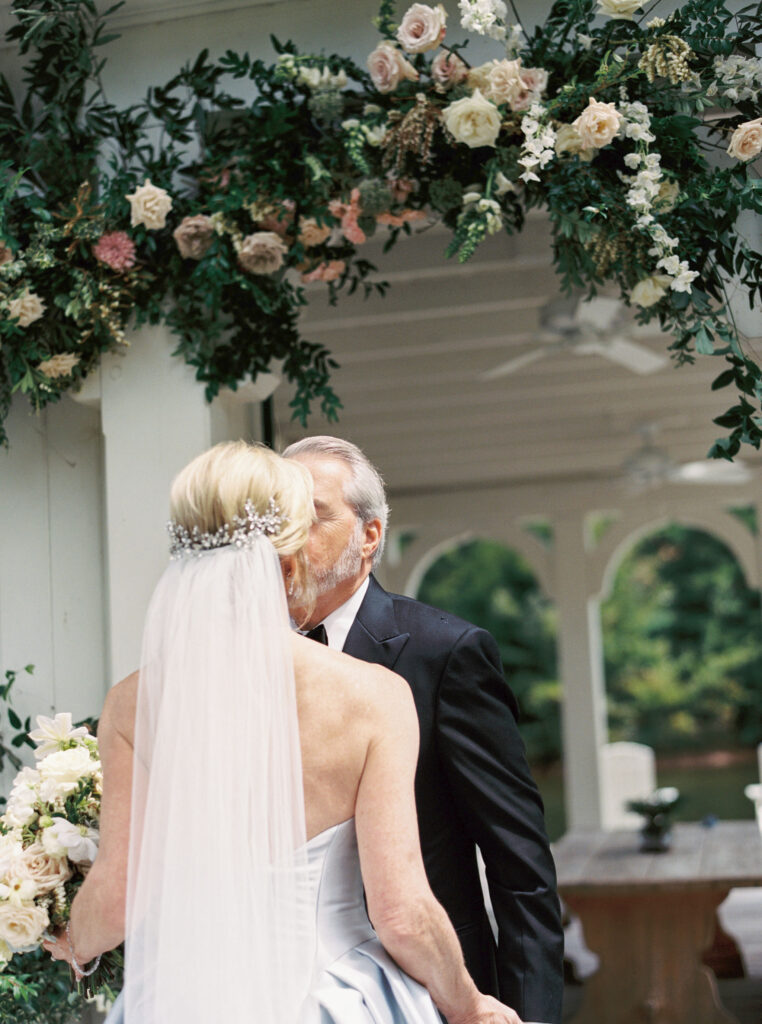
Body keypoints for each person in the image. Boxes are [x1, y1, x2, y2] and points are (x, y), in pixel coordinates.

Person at [43, 441, 522, 1024]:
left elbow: (117, 897)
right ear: (290, 563)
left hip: (184, 1003)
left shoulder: (132, 703)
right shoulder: (373, 697)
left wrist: (69, 941)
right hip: (332, 1000)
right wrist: (470, 1006)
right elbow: (403, 912)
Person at [283, 436, 564, 1024]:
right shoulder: (236, 662)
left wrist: (529, 1012)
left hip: (436, 990)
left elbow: (519, 865)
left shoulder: (445, 652)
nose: (289, 538)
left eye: (315, 517)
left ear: (370, 535)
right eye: (278, 519)